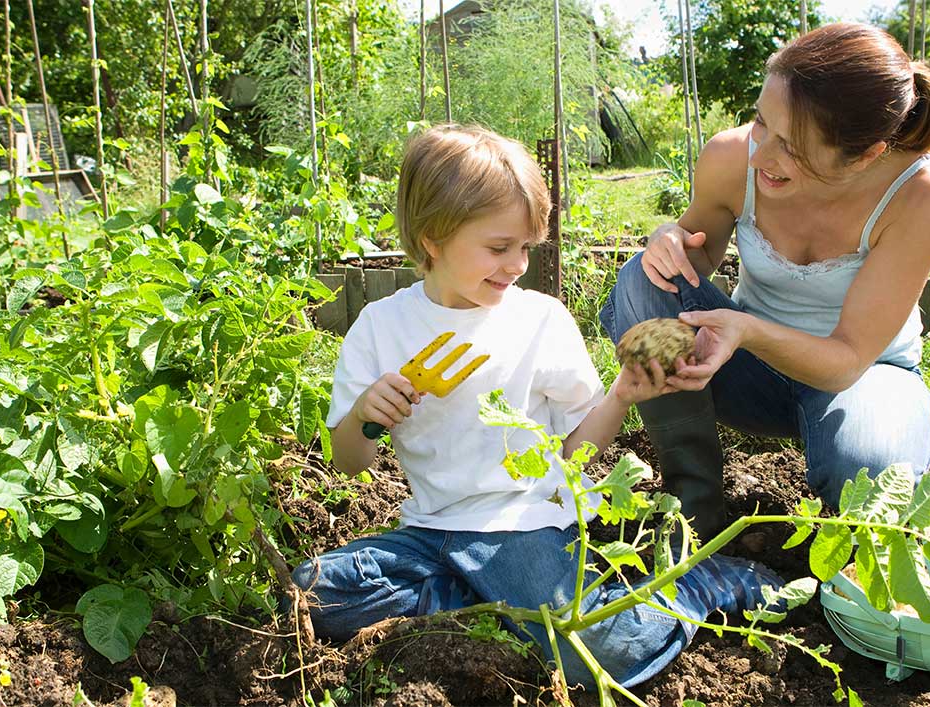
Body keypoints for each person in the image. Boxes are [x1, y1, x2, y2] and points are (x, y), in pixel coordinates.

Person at [292, 124, 783, 688]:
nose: (518, 264)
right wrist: (364, 417)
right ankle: (483, 605)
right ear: (433, 238)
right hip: (430, 533)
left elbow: (574, 454)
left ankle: (698, 585)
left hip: (522, 526)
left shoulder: (539, 320)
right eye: (498, 248)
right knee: (310, 596)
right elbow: (349, 461)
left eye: (525, 247)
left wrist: (621, 394)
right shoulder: (381, 328)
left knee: (606, 653)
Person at [601, 23, 930, 539]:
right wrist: (668, 239)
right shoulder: (730, 158)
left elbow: (848, 359)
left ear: (866, 155)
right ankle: (693, 503)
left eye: (793, 147)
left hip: (863, 376)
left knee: (872, 480)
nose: (762, 153)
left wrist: (747, 331)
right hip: (747, 370)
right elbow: (692, 257)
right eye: (761, 123)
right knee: (642, 279)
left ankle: (896, 468)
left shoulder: (920, 194)